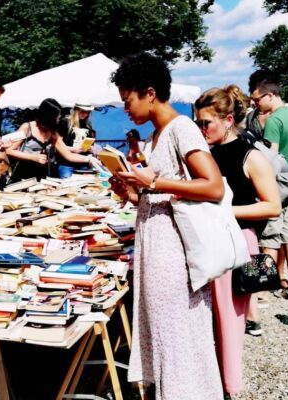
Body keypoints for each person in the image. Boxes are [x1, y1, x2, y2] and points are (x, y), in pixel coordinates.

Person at [110, 52, 224, 399]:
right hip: (157, 244)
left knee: (176, 333)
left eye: (127, 100)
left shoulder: (182, 128)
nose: (125, 109)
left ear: (149, 93)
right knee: (164, 332)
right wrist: (133, 193)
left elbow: (213, 186)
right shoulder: (156, 136)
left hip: (172, 252)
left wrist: (154, 184)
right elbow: (160, 197)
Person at [195, 85, 281, 395]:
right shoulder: (203, 152)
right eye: (198, 123)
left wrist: (226, 211)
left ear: (228, 119)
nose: (201, 128)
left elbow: (272, 205)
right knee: (204, 321)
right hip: (205, 241)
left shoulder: (251, 155)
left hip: (237, 243)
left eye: (206, 122)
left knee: (230, 324)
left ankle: (228, 388)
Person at [250, 70, 288, 302]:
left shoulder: (274, 120)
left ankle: (260, 291)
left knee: (267, 240)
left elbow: (269, 160)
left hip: (275, 187)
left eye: (257, 100)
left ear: (270, 95)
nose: (255, 104)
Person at [6, 98, 92, 182]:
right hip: (24, 177)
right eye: (57, 116)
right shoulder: (27, 127)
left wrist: (88, 159)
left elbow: (68, 155)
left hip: (45, 177)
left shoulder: (53, 132)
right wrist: (32, 157)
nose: (59, 119)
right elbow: (9, 150)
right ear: (48, 116)